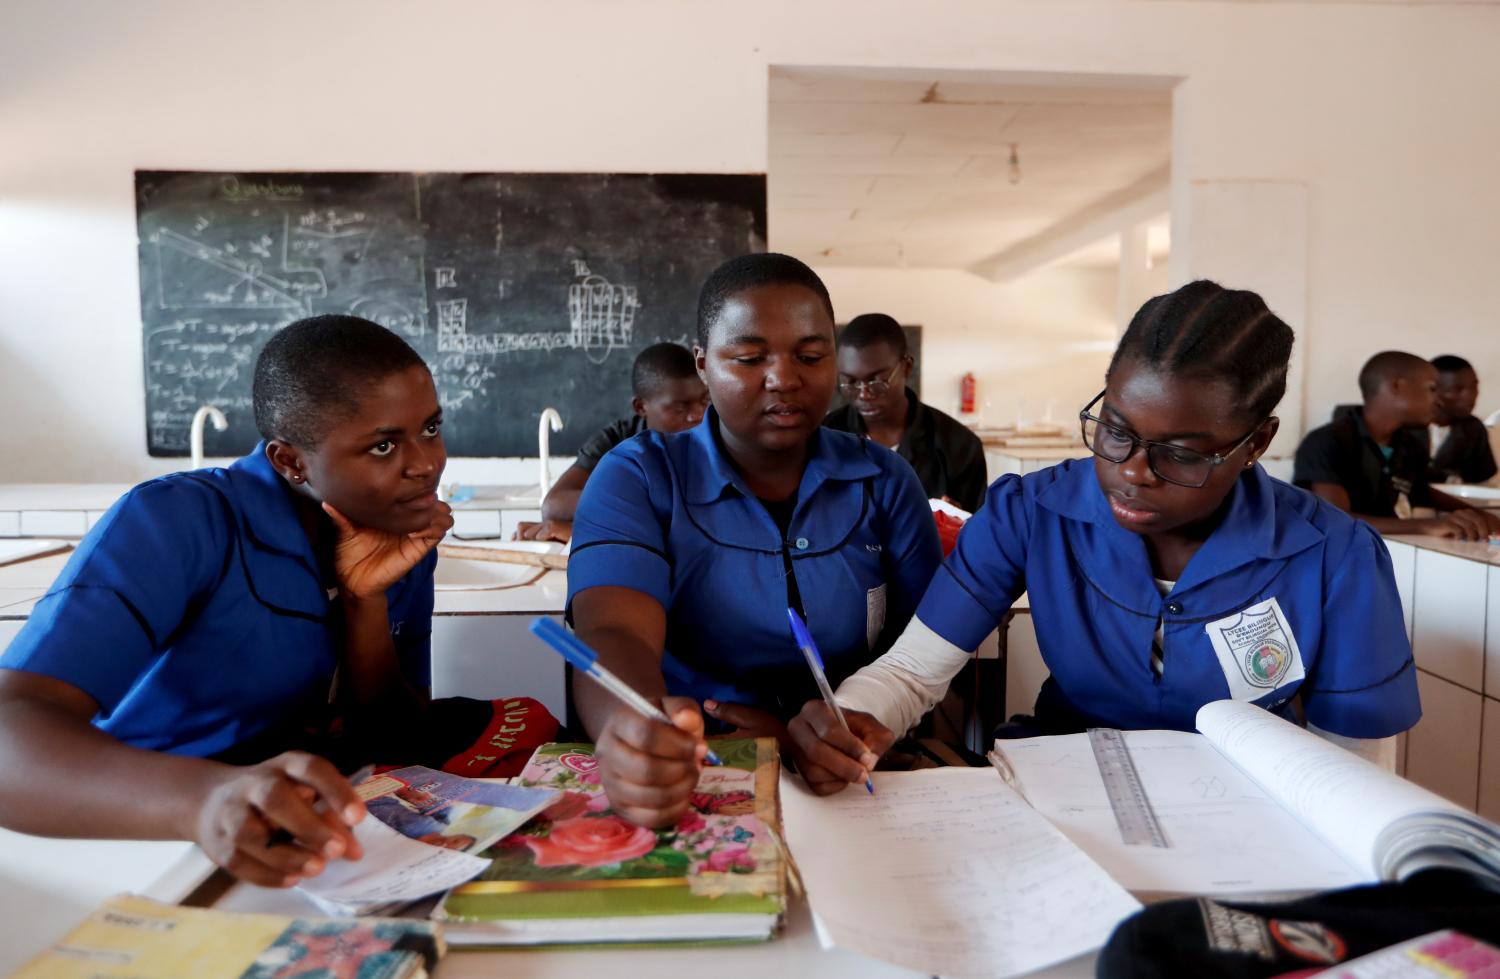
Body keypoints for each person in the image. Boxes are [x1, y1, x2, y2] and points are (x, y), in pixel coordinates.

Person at [788, 281, 1422, 795]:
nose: (1131, 472)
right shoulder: (1031, 511)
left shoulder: (1333, 558)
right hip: (1062, 788)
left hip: (1242, 812)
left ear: (1255, 442)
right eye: (1115, 430)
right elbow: (910, 673)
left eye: (1178, 454)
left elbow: (1356, 778)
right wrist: (849, 721)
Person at [0, 314, 454, 887]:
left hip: (304, 847)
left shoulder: (395, 531)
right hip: (147, 847)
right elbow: (9, 731)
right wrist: (206, 800)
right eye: (384, 445)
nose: (425, 464)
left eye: (431, 429)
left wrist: (367, 602)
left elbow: (395, 745)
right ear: (290, 461)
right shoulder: (178, 522)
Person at [566, 253, 943, 829]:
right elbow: (613, 628)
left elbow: (924, 647)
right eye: (748, 358)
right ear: (702, 366)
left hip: (847, 771)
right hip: (698, 767)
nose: (784, 378)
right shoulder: (639, 475)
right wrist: (635, 727)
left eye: (811, 356)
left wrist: (860, 718)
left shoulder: (884, 482)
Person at [1293, 351, 1500, 540]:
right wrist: (1424, 526)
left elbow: (1420, 491)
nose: (1439, 401)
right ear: (1396, 386)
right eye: (1432, 389)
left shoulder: (1408, 445)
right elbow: (1334, 519)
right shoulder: (1328, 441)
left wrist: (1478, 514)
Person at [516, 342, 708, 543]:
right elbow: (554, 506)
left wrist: (603, 521)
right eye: (679, 407)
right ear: (641, 407)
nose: (698, 415)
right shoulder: (618, 438)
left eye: (705, 401)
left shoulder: (718, 434)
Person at [822, 312, 988, 513]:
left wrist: (957, 523)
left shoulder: (959, 447)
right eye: (851, 382)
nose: (863, 394)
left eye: (876, 381)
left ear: (907, 367)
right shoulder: (824, 438)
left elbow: (979, 535)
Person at [1421, 354, 1497, 486]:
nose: (1470, 396)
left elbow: (1483, 480)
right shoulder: (1406, 426)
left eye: (1474, 387)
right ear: (1433, 390)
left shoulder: (1473, 428)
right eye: (1457, 389)